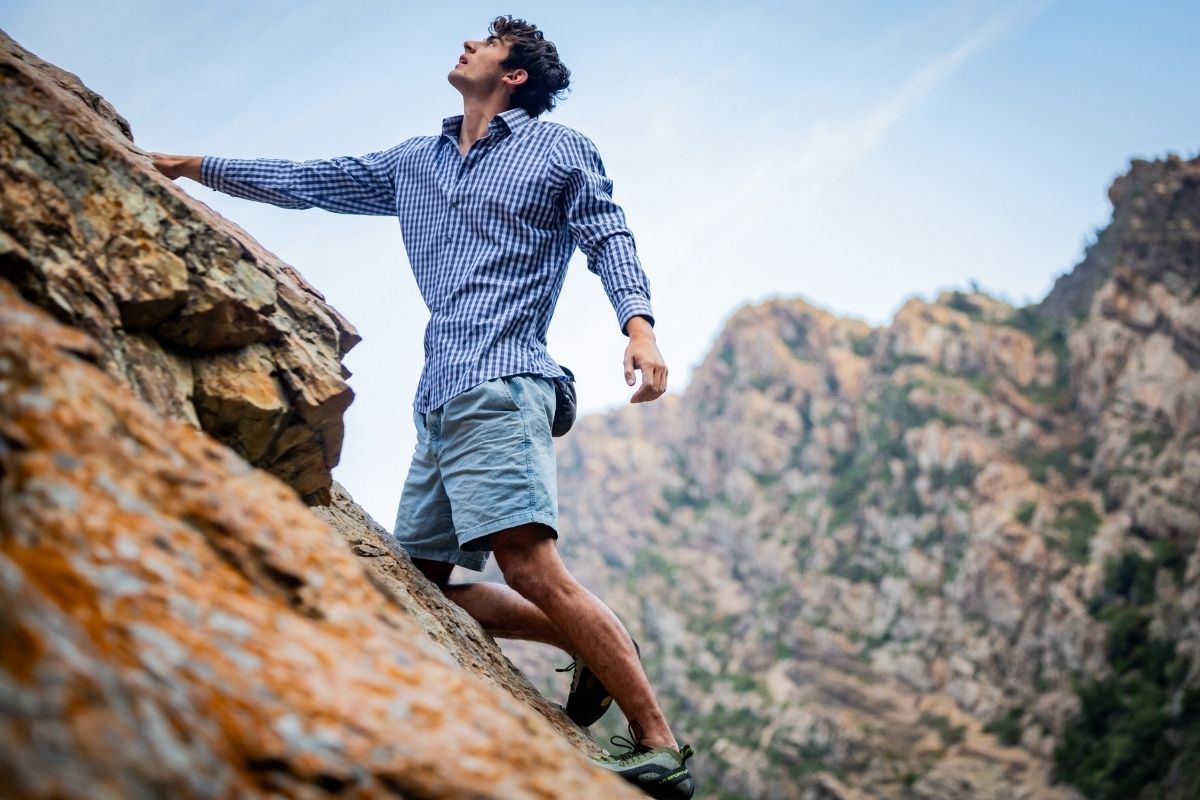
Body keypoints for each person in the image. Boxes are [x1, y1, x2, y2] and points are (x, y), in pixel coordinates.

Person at [150, 15, 694, 799]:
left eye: (486, 43)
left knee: (530, 566)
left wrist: (639, 330)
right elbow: (309, 181)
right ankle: (601, 640)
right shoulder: (417, 161)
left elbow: (607, 234)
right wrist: (191, 165)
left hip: (503, 382)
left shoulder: (558, 149)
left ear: (514, 76)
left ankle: (659, 747)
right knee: (426, 581)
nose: (466, 45)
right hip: (439, 398)